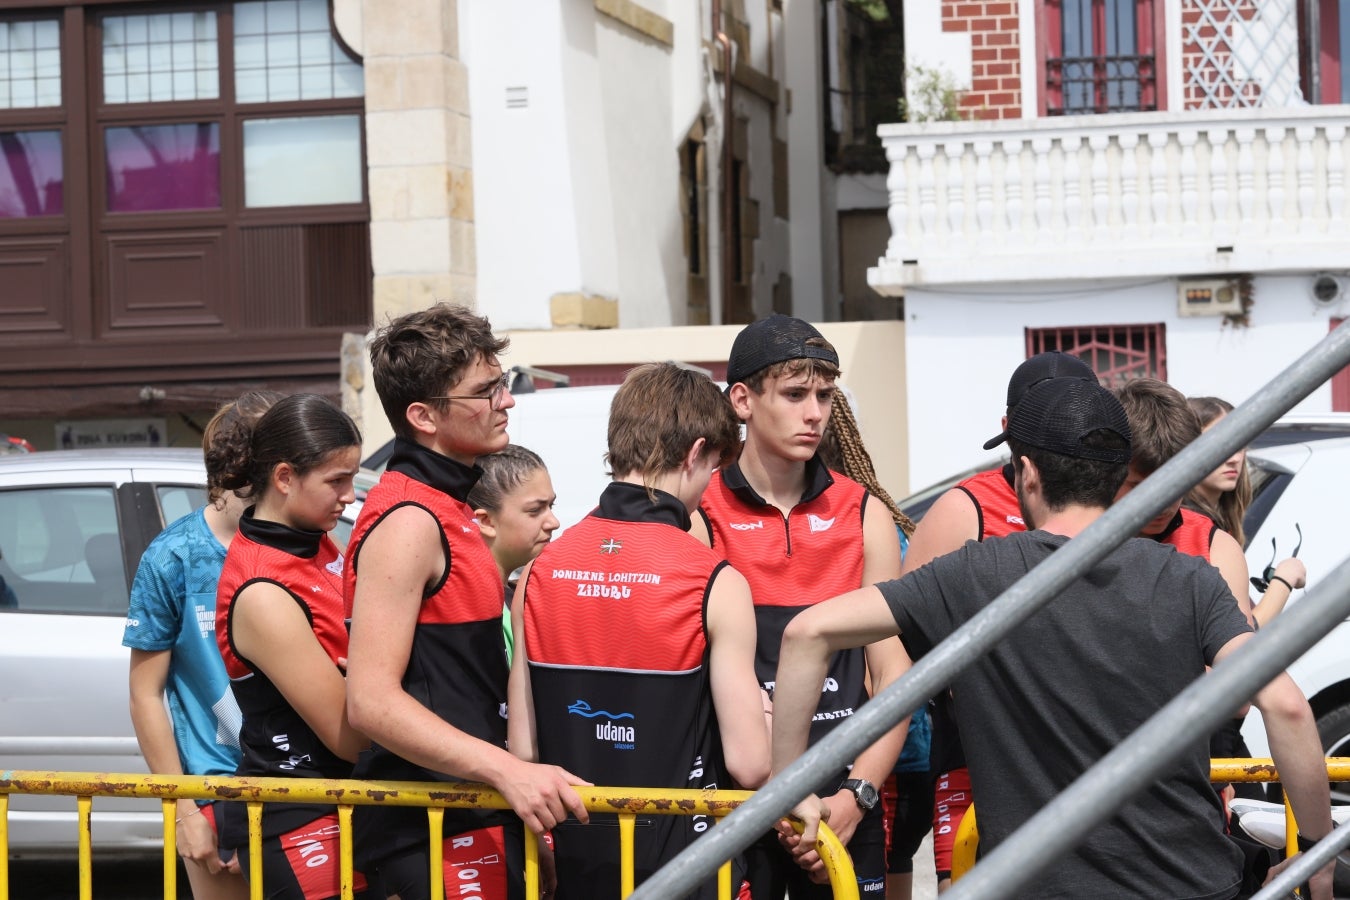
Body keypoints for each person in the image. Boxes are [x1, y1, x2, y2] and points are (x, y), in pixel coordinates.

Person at [771, 376, 1335, 900]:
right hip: (1191, 881)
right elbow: (1285, 706)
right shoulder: (1190, 578)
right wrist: (1314, 855)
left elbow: (807, 632)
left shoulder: (975, 575)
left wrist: (790, 786)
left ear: (1028, 473)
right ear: (1120, 477)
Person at [343, 303, 589, 900]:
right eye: (486, 391)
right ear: (423, 416)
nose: (506, 402)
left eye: (501, 384)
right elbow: (371, 702)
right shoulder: (409, 520)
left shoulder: (449, 504)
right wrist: (509, 773)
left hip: (470, 816)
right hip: (426, 831)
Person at [508, 363, 770, 899]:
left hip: (582, 862)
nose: (709, 488)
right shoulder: (713, 580)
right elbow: (749, 764)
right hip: (691, 868)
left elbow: (524, 749)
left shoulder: (540, 571)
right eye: (713, 469)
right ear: (695, 453)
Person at [692, 314, 907, 897]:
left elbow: (891, 675)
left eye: (825, 395)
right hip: (740, 797)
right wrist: (778, 794)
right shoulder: (702, 512)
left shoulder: (864, 512)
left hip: (842, 795)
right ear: (742, 399)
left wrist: (857, 796)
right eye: (794, 394)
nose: (814, 412)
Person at [900, 349, 1094, 891]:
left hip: (1088, 753)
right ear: (1008, 429)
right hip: (979, 760)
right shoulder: (967, 508)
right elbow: (899, 636)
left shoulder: (1117, 504)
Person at [212, 393, 370, 900]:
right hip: (300, 816)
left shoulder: (313, 537)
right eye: (336, 481)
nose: (350, 495)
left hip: (346, 803)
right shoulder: (262, 591)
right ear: (284, 478)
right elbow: (348, 736)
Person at [124, 390, 280, 900]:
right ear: (236, 472)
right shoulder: (173, 557)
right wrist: (182, 811)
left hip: (303, 785)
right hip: (214, 787)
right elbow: (146, 694)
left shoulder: (303, 542)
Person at [815, 389, 929, 900]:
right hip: (906, 751)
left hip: (886, 757)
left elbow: (886, 657)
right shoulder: (888, 516)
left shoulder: (868, 521)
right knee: (895, 862)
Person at [1111, 378, 1254, 623]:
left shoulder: (1215, 547)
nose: (1162, 503)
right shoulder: (1073, 538)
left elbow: (1240, 657)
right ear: (1110, 473)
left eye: (1175, 483)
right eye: (1139, 486)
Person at [1186, 395, 1306, 623]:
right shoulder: (1190, 527)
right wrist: (1285, 578)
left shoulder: (1214, 522)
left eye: (1239, 444)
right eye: (1218, 444)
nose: (1233, 458)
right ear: (1185, 448)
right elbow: (1243, 631)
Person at [466, 444, 560, 665]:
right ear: (486, 521)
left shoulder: (513, 594)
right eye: (535, 511)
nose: (554, 522)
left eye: (552, 506)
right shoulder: (473, 610)